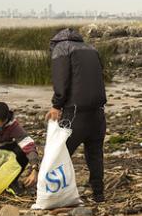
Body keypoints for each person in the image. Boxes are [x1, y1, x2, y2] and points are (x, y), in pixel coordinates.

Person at [45, 28, 107, 202]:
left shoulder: (61, 49)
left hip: (75, 111)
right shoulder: (91, 48)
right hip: (98, 111)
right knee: (95, 153)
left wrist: (57, 104)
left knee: (60, 151)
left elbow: (61, 78)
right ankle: (98, 193)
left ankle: (53, 193)